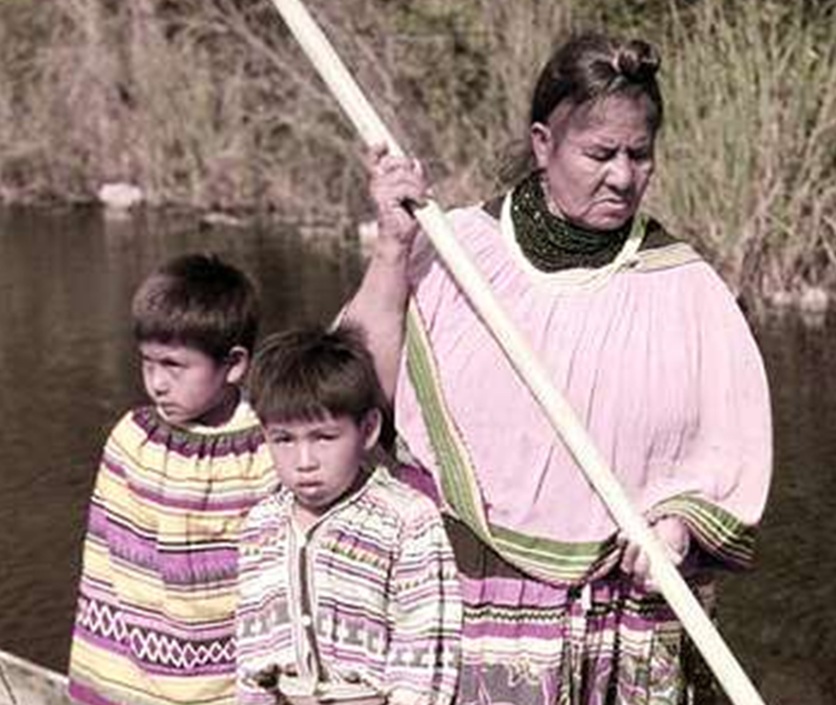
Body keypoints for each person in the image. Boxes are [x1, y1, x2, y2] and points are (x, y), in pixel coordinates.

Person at [344, 32, 772, 705]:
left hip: (620, 612)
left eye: (640, 154)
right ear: (543, 144)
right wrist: (394, 248)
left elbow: (726, 452)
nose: (624, 176)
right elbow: (355, 386)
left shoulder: (685, 287)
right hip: (470, 595)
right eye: (600, 153)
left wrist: (681, 521)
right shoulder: (458, 252)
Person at [68, 253, 277, 705]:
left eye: (174, 365)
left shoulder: (266, 450)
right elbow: (104, 568)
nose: (157, 383)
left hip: (223, 674)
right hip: (126, 664)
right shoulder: (133, 438)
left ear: (234, 364)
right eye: (148, 362)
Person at [236, 325, 462, 705]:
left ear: (368, 429)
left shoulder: (406, 520)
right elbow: (251, 649)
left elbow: (424, 646)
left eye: (324, 438)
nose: (304, 462)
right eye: (284, 439)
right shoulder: (261, 524)